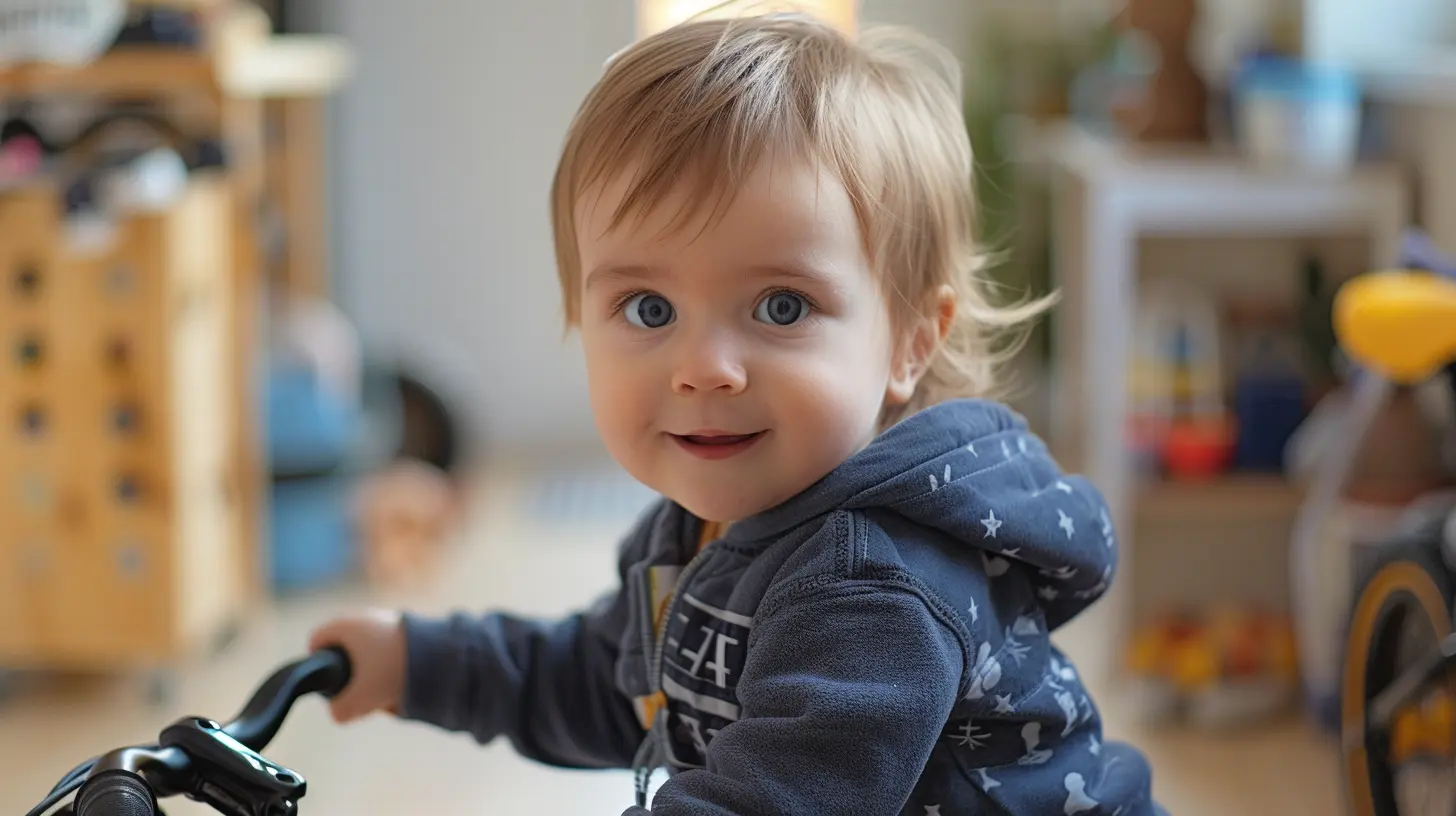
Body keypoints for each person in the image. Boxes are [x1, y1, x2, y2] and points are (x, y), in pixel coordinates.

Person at [310, 11, 1164, 815]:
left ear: (908, 343)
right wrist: (420, 664)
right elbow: (609, 684)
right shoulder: (702, 533)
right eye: (648, 309)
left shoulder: (869, 585)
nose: (705, 369)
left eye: (782, 307)